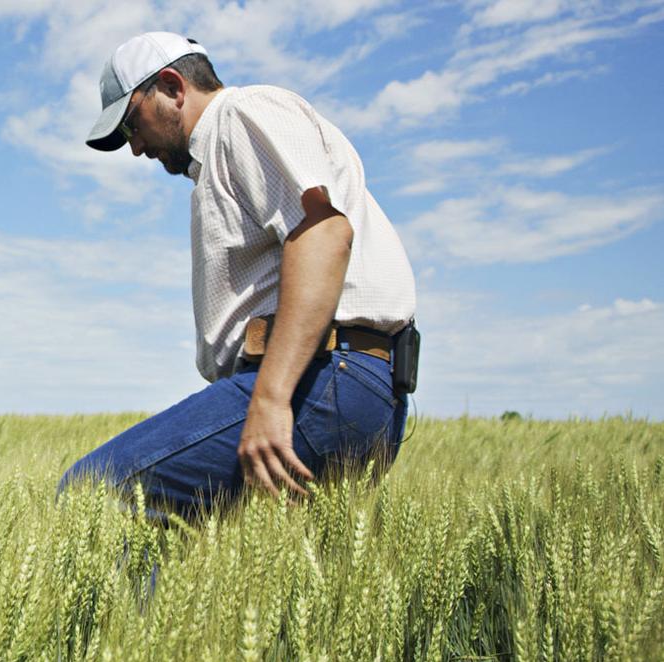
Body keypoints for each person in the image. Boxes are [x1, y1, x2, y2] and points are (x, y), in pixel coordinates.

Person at [58, 32, 417, 521]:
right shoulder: (221, 153)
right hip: (347, 381)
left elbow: (323, 233)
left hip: (321, 379)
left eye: (130, 124)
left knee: (90, 493)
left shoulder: (240, 116)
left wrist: (270, 398)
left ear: (172, 86)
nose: (135, 147)